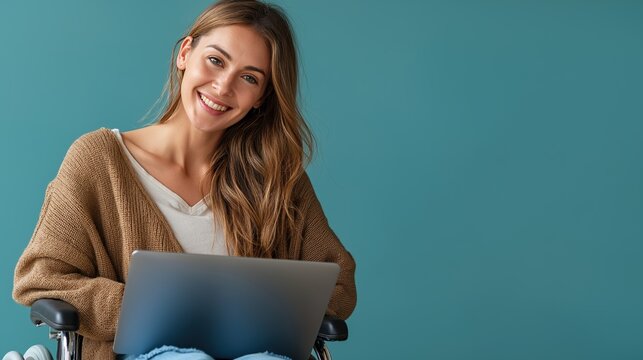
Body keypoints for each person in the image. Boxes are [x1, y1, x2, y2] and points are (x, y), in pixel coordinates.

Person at [11, 1, 356, 359]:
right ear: (185, 54)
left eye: (249, 77)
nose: (223, 86)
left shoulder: (276, 179)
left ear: (261, 98)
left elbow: (338, 284)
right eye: (216, 60)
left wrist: (260, 317)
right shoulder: (99, 160)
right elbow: (42, 277)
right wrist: (145, 310)